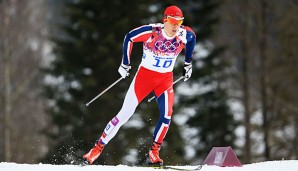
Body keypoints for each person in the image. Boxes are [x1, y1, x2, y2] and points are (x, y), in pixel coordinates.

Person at [83, 5, 196, 166]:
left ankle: (154, 153)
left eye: (179, 21)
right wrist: (125, 64)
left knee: (167, 115)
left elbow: (192, 39)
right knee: (125, 114)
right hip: (144, 78)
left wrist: (188, 64)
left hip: (164, 80)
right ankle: (96, 149)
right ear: (165, 20)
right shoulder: (151, 32)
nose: (176, 26)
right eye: (172, 21)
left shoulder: (185, 34)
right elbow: (129, 37)